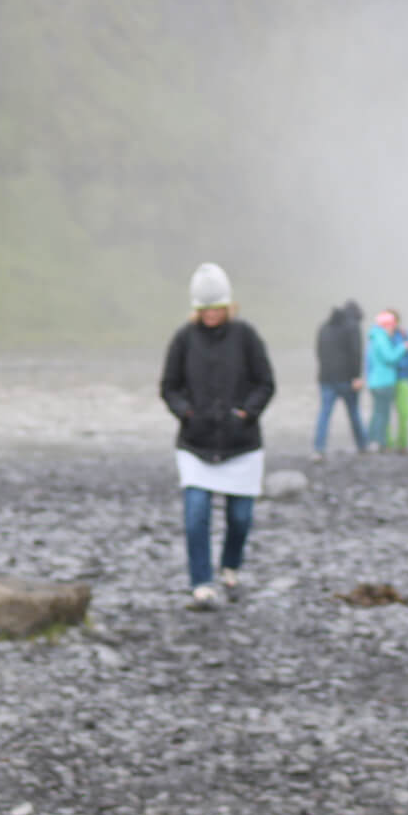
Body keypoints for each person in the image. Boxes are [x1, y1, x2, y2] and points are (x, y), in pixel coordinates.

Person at [159, 262, 275, 611]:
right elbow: (169, 386)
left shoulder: (246, 337)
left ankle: (230, 566)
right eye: (204, 309)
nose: (210, 315)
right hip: (196, 444)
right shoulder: (183, 339)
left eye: (216, 308)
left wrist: (245, 413)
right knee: (196, 514)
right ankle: (201, 582)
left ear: (227, 306)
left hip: (241, 444)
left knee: (240, 517)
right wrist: (186, 413)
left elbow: (265, 383)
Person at [312, 299, 367, 459]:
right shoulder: (353, 327)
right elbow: (356, 353)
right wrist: (357, 377)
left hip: (326, 377)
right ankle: (362, 445)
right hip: (347, 379)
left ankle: (319, 448)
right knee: (354, 412)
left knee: (324, 413)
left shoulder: (324, 327)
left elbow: (319, 351)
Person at [365, 309, 408, 451]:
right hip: (383, 382)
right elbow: (390, 358)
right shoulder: (381, 338)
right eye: (391, 325)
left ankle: (373, 441)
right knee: (382, 414)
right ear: (387, 325)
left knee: (378, 412)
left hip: (375, 381)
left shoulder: (374, 337)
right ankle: (378, 442)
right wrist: (403, 347)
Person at [390, 311, 408, 452]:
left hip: (403, 378)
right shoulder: (382, 335)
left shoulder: (405, 335)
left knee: (404, 413)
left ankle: (402, 444)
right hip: (387, 379)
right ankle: (387, 444)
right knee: (386, 413)